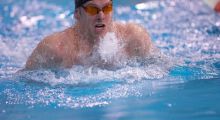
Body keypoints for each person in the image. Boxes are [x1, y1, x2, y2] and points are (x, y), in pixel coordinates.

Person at [24, 0, 154, 70]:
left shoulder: (133, 38)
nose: (101, 16)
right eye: (93, 9)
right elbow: (25, 80)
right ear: (77, 14)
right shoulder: (55, 48)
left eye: (107, 8)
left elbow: (161, 67)